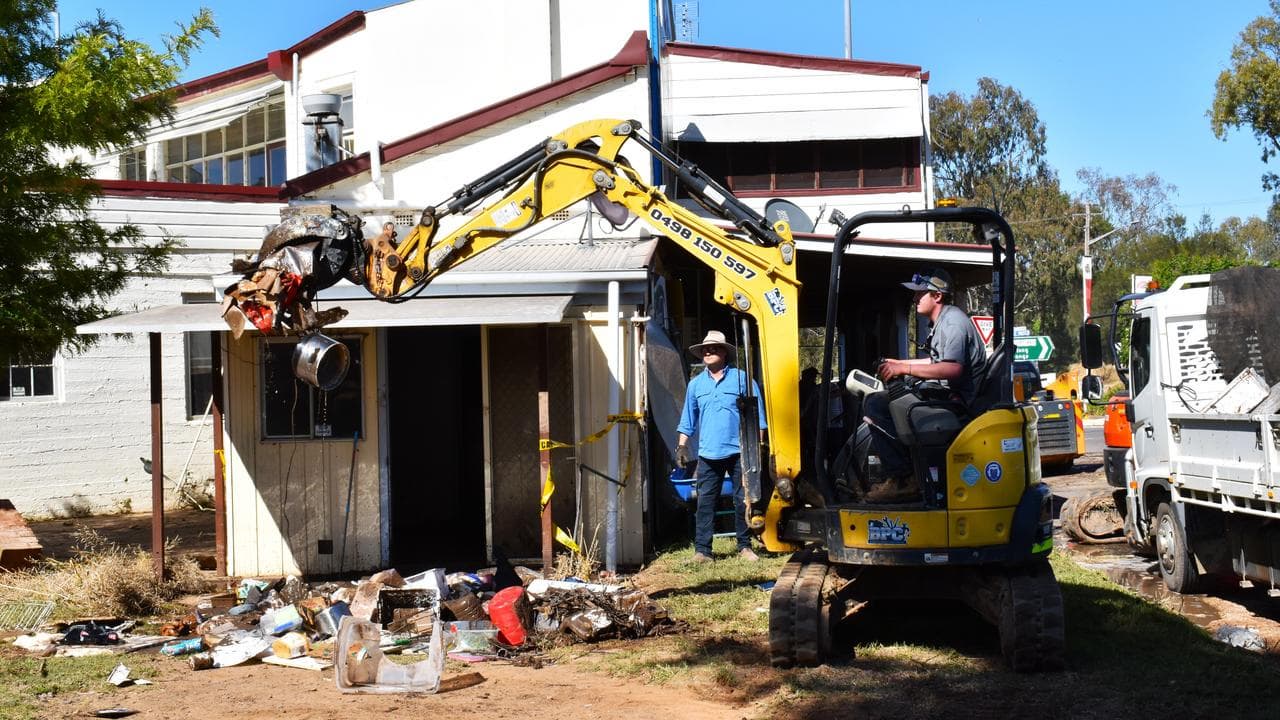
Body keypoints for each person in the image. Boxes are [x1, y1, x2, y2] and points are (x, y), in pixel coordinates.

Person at [861, 267, 987, 501]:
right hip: (949, 399)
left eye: (921, 294)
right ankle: (909, 474)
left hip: (957, 405)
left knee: (876, 405)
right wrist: (898, 363)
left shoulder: (953, 324)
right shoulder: (943, 322)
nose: (915, 298)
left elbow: (953, 369)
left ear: (937, 296)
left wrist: (904, 369)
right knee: (891, 399)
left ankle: (903, 478)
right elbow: (936, 361)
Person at [675, 330, 767, 563]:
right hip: (708, 454)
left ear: (725, 352)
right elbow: (688, 419)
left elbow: (758, 418)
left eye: (714, 348)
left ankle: (744, 547)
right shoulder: (695, 385)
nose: (708, 351)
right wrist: (682, 447)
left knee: (742, 501)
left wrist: (759, 448)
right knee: (705, 503)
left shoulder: (742, 380)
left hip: (739, 452)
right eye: (705, 349)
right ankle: (703, 551)